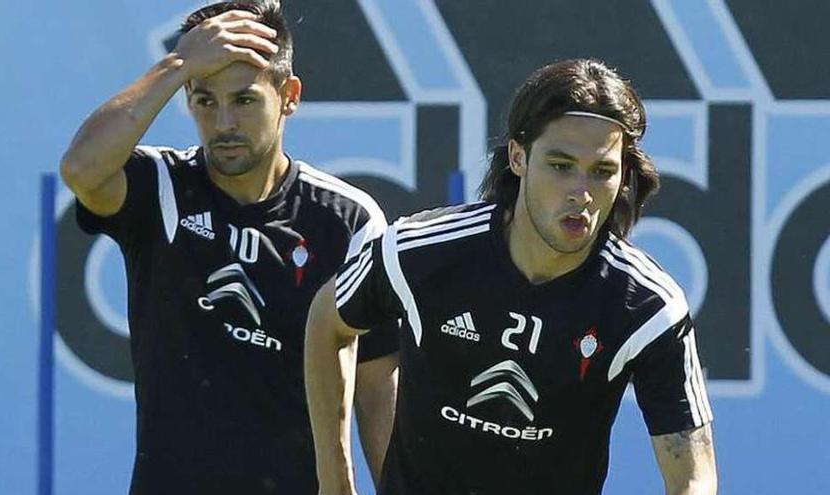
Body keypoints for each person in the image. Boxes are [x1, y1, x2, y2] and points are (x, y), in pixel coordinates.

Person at [305, 58, 718, 495]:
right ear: (519, 157)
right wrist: (335, 485)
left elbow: (694, 477)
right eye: (560, 165)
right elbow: (328, 321)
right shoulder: (418, 252)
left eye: (602, 172)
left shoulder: (647, 307)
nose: (581, 193)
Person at [60, 1, 397, 493]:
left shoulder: (349, 221)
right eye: (205, 101)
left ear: (289, 96)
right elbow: (81, 169)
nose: (223, 124)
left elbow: (376, 388)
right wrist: (179, 64)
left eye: (244, 100)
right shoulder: (162, 187)